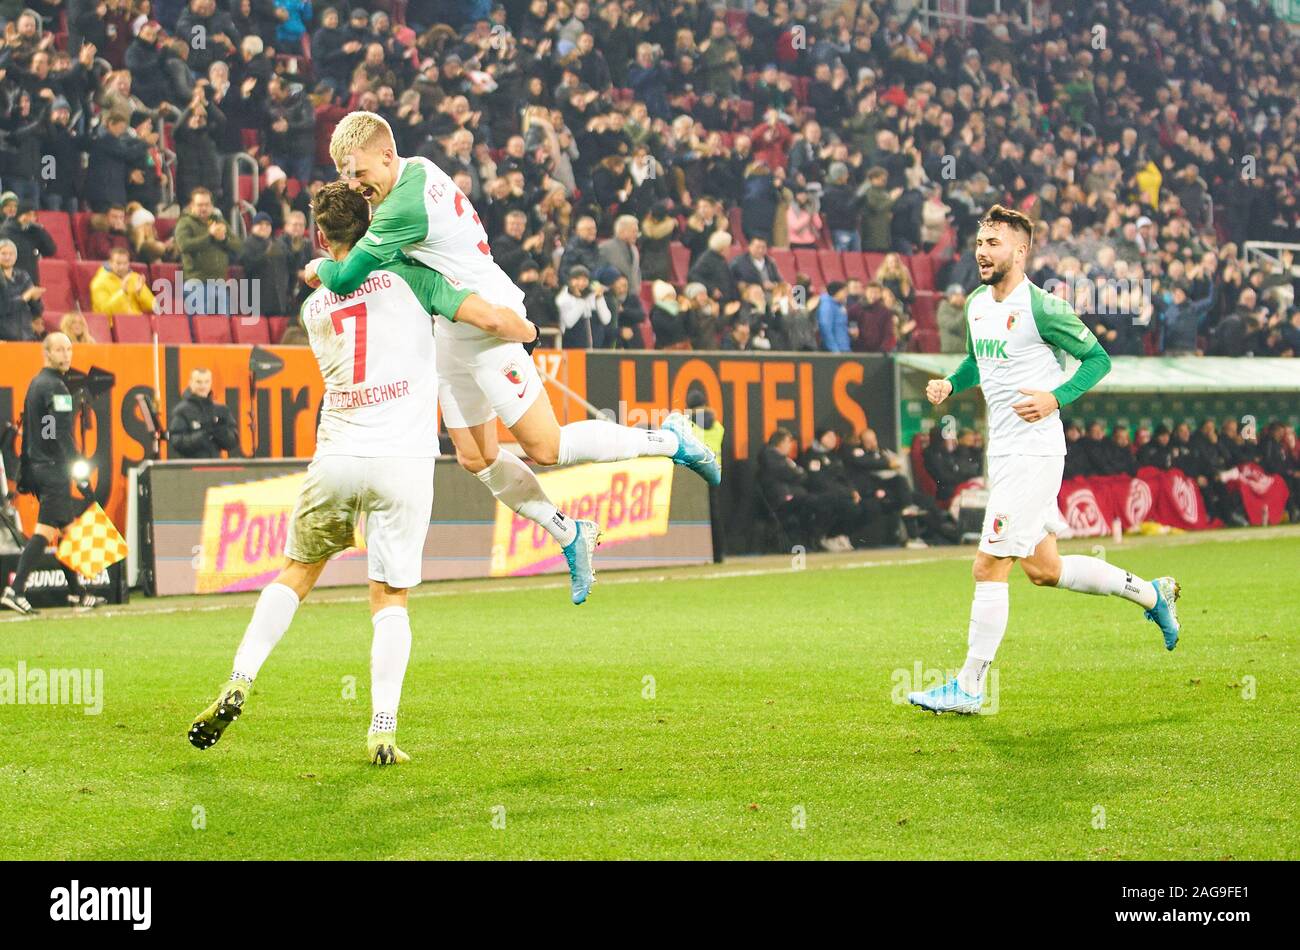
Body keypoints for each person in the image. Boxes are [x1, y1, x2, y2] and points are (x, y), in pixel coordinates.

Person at [188, 181, 539, 766]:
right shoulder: (412, 275)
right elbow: (487, 319)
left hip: (338, 457)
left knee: (296, 573)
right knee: (389, 596)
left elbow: (332, 275)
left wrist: (320, 267)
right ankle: (381, 728)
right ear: (375, 223)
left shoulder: (313, 302)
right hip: (403, 462)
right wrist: (523, 329)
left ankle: (239, 679)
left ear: (321, 236)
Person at [306, 112, 720, 605]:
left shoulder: (402, 208)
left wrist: (317, 265)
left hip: (488, 322)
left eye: (358, 172)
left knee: (545, 448)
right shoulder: (412, 171)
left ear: (386, 156)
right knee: (473, 455)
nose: (353, 185)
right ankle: (569, 532)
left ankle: (669, 438)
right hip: (453, 330)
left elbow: (347, 276)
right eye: (344, 175)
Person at [915, 205, 1178, 715]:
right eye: (980, 242)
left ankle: (970, 686)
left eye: (994, 243)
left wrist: (1055, 397)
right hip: (1006, 453)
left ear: (1020, 250)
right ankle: (1151, 595)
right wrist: (952, 381)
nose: (983, 251)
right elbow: (979, 361)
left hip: (1035, 452)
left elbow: (1098, 359)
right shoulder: (974, 304)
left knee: (988, 564)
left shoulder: (1044, 308)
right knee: (1044, 569)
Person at [2, 334, 102, 615]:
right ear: (46, 352)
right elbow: (61, 432)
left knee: (66, 528)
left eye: (69, 349)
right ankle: (15, 590)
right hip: (53, 468)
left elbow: (46, 428)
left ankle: (77, 593)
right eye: (60, 349)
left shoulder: (38, 383)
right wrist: (77, 468)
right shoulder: (57, 387)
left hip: (38, 465)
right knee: (45, 531)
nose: (66, 354)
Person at [174, 188, 242, 314]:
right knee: (201, 326)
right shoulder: (185, 223)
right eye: (200, 205)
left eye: (207, 204)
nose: (204, 208)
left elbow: (238, 245)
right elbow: (184, 245)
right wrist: (210, 236)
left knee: (223, 327)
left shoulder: (219, 221)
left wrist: (223, 240)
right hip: (196, 283)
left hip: (220, 283)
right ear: (192, 206)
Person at [167, 369, 241, 460]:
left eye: (206, 382)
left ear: (211, 383)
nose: (203, 386)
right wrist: (203, 435)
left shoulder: (221, 410)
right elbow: (176, 442)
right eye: (199, 382)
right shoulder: (182, 411)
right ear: (190, 383)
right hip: (190, 468)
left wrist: (220, 432)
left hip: (216, 467)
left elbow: (233, 442)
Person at [90, 247, 157, 319]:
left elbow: (154, 307)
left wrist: (139, 293)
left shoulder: (135, 278)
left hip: (138, 322)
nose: (122, 267)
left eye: (125, 263)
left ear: (129, 263)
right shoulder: (99, 282)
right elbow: (103, 312)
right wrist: (122, 293)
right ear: (110, 263)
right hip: (114, 326)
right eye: (118, 263)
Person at [0, 238, 43, 342]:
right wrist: (25, 297)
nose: (7, 257)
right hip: (4, 339)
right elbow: (2, 307)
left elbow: (36, 309)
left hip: (26, 337)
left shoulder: (23, 276)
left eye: (11, 254)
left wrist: (35, 299)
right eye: (3, 253)